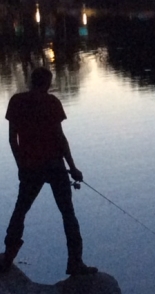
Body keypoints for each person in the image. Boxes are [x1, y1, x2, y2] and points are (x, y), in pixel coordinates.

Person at [0, 67, 98, 276]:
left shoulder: (16, 101)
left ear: (31, 80)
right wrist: (72, 167)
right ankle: (75, 262)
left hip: (30, 167)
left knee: (20, 211)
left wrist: (20, 166)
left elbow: (12, 140)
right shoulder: (52, 103)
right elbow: (60, 139)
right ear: (48, 83)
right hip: (54, 165)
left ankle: (8, 256)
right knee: (68, 213)